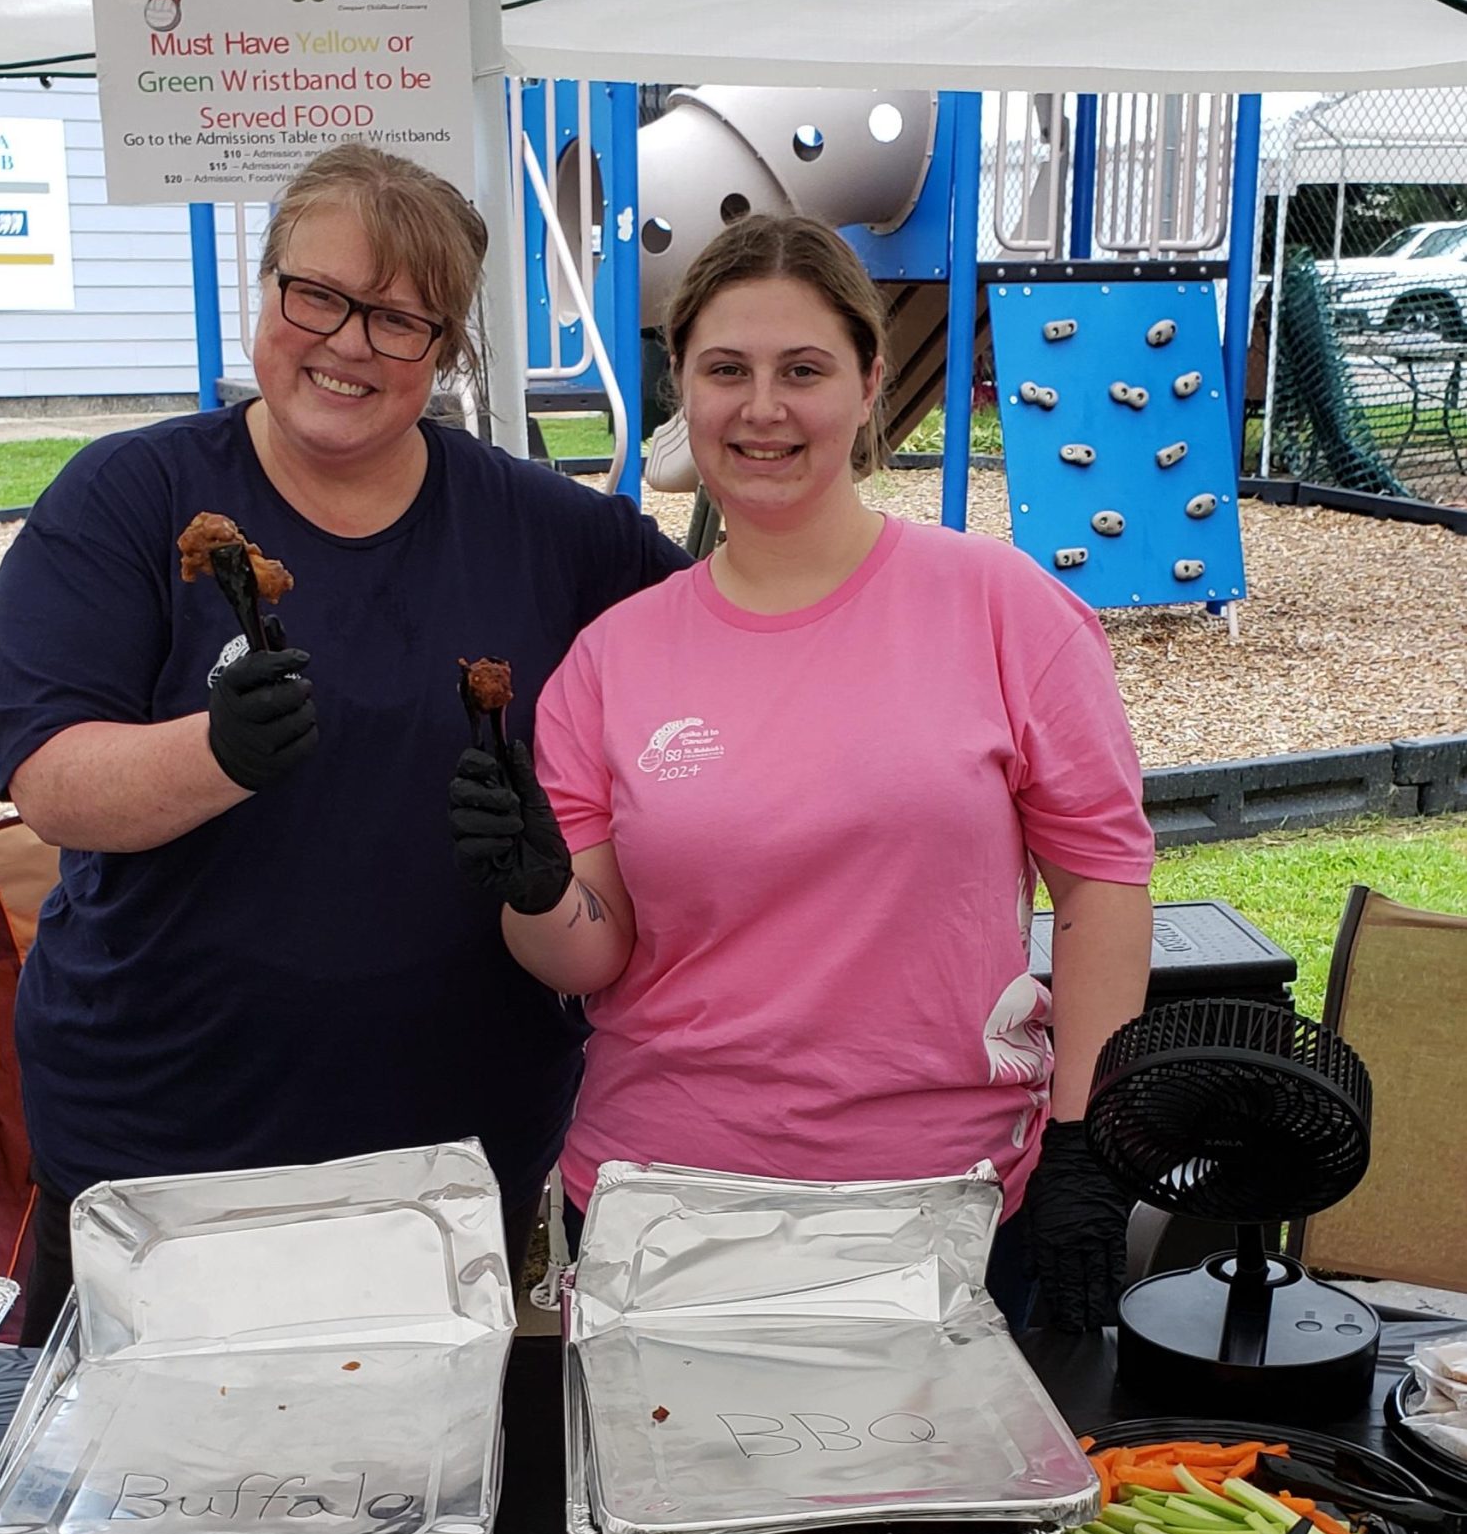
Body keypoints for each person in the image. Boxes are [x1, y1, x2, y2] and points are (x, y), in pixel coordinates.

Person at [0, 143, 686, 1339]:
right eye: (317, 295)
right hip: (167, 1146)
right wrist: (215, 755)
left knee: (438, 1491)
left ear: (447, 350)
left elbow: (735, 633)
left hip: (456, 1151)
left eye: (401, 319)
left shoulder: (547, 532)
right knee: (151, 1496)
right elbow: (51, 781)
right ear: (267, 292)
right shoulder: (130, 502)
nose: (348, 341)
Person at [449, 214, 1155, 1330]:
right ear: (684, 383)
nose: (763, 407)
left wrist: (1084, 1138)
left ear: (869, 383)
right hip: (663, 1213)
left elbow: (1102, 884)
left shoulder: (1003, 608)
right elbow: (589, 952)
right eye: (726, 370)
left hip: (943, 1205)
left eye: (804, 370)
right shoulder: (611, 661)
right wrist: (532, 888)